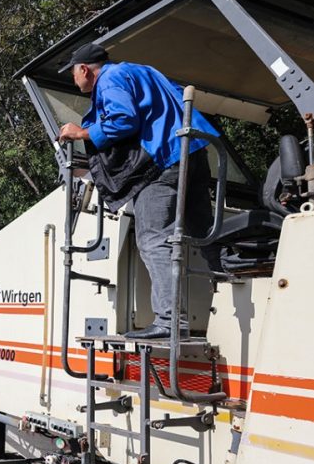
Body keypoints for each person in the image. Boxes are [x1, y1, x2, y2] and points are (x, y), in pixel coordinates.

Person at [56, 43, 219, 339]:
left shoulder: (109, 79)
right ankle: (231, 287)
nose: (74, 79)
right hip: (193, 149)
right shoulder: (143, 70)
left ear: (83, 69)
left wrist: (81, 132)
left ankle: (170, 321)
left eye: (72, 74)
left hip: (163, 159)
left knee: (153, 239)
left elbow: (123, 119)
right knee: (203, 230)